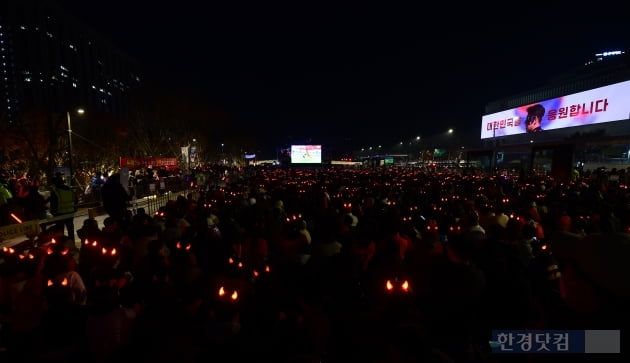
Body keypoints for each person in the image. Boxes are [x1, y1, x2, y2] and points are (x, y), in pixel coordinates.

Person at [49, 173, 77, 242]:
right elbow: (76, 201)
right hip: (70, 213)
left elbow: (53, 205)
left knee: (60, 232)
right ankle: (72, 244)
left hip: (60, 214)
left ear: (55, 184)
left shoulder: (55, 192)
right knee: (70, 230)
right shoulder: (70, 191)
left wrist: (53, 213)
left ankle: (62, 246)